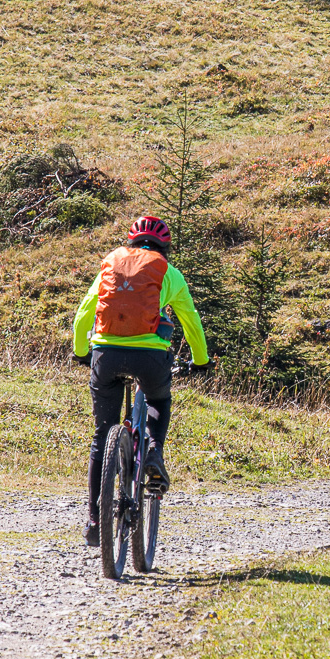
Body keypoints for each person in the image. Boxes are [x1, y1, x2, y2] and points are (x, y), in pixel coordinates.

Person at [71, 215, 209, 546]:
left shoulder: (111, 264)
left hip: (106, 354)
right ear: (165, 247)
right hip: (150, 357)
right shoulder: (168, 272)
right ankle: (154, 451)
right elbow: (190, 320)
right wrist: (200, 361)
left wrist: (81, 351)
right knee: (158, 398)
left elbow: (85, 311)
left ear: (131, 243)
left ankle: (94, 521)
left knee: (101, 437)